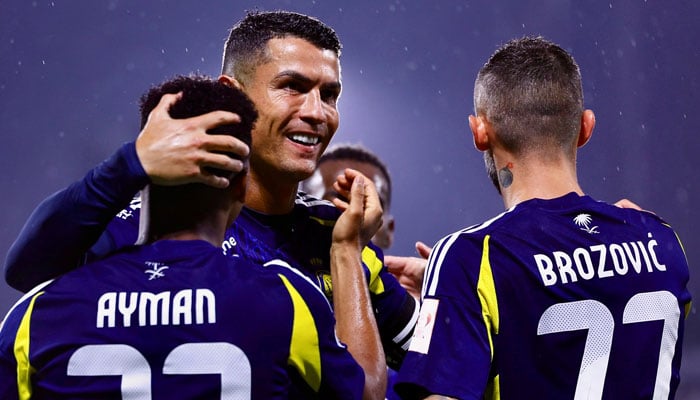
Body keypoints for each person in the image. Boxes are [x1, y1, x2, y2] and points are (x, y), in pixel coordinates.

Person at [4, 10, 412, 382]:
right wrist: (130, 164)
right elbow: (27, 271)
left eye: (329, 95)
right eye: (292, 87)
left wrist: (445, 289)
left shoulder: (338, 233)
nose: (317, 113)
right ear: (232, 94)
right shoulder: (146, 226)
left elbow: (432, 360)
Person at [394, 36, 692, 399]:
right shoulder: (662, 242)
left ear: (479, 132)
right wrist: (462, 301)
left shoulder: (472, 256)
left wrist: (458, 288)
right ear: (585, 127)